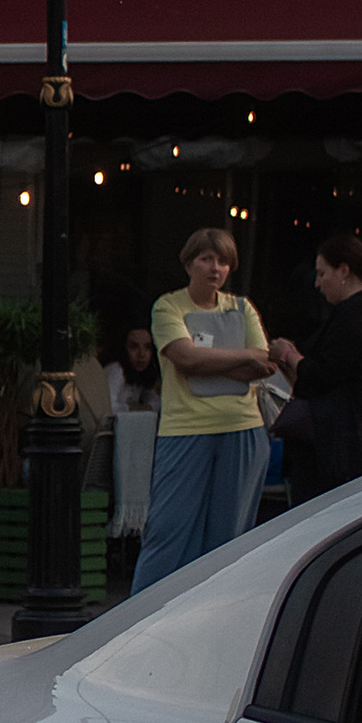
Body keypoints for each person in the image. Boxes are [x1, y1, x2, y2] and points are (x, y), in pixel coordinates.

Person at [131, 228, 284, 591]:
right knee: (168, 530)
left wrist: (210, 362)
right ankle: (139, 616)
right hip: (185, 430)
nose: (215, 268)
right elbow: (184, 358)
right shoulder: (169, 306)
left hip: (243, 428)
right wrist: (241, 357)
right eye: (206, 259)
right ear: (189, 263)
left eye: (224, 261)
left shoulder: (242, 308)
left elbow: (265, 364)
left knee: (230, 538)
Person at [276, 233, 362, 504]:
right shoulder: (361, 312)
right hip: (345, 443)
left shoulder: (357, 315)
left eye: (322, 273)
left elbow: (325, 374)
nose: (317, 283)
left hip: (342, 446)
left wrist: (288, 356)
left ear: (344, 270)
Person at [102, 320, 163, 600]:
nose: (141, 354)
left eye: (147, 348)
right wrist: (141, 407)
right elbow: (112, 407)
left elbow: (158, 405)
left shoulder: (151, 378)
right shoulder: (115, 372)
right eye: (134, 347)